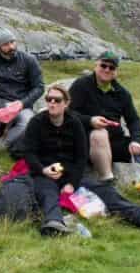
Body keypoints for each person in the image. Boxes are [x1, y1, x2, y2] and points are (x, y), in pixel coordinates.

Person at [67, 51, 140, 191]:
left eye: (111, 67)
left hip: (115, 142)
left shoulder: (122, 93)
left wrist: (136, 140)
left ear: (116, 71)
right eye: (103, 65)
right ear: (96, 65)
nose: (107, 69)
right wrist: (90, 120)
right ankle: (108, 182)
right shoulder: (81, 85)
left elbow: (133, 120)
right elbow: (68, 112)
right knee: (99, 133)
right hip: (87, 143)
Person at [17, 84, 90, 237]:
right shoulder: (36, 122)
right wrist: (43, 170)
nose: (52, 103)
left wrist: (72, 183)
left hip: (70, 173)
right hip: (43, 172)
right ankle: (54, 223)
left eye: (57, 100)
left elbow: (82, 156)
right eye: (49, 99)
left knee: (103, 188)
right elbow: (28, 152)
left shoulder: (75, 123)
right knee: (48, 192)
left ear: (66, 103)